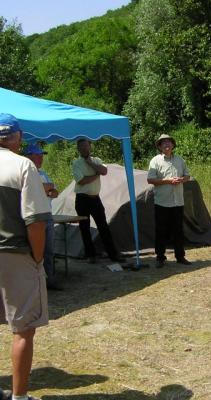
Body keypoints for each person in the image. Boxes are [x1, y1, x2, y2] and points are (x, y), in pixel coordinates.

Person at [0, 113, 51, 400]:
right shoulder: (23, 166)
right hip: (14, 254)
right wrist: (38, 258)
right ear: (17, 138)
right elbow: (35, 221)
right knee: (23, 329)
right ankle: (19, 397)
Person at [72, 138, 124, 263]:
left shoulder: (97, 160)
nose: (84, 149)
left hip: (95, 198)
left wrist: (91, 163)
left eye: (86, 146)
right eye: (81, 147)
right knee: (84, 228)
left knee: (103, 227)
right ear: (78, 149)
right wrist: (96, 175)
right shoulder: (76, 163)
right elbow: (81, 181)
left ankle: (113, 255)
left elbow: (104, 171)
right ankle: (91, 255)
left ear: (90, 147)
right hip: (82, 198)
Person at [147, 134, 191, 268]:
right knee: (161, 231)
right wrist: (168, 181)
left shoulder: (179, 160)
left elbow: (187, 176)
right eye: (163, 143)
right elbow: (150, 180)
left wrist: (182, 179)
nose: (166, 144)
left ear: (173, 145)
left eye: (169, 142)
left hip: (178, 201)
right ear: (160, 147)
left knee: (178, 230)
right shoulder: (155, 161)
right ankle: (160, 258)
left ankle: (180, 256)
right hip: (162, 202)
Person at [24, 143, 61, 290]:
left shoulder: (43, 173)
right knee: (34, 251)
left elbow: (55, 192)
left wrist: (48, 189)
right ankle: (34, 283)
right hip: (34, 217)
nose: (40, 158)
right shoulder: (26, 172)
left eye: (41, 156)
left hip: (47, 215)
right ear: (29, 157)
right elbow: (38, 189)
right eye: (37, 155)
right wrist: (46, 188)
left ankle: (49, 280)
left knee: (49, 250)